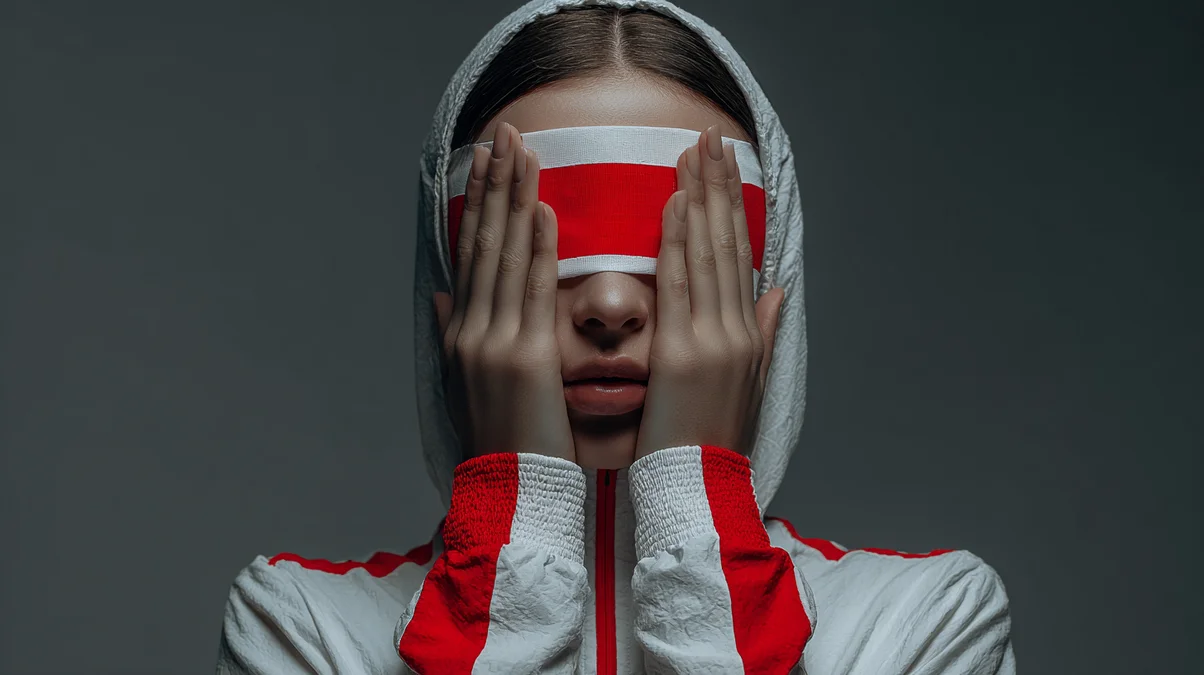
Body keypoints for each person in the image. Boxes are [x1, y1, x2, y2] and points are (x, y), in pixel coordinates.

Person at [217, 0, 1016, 672]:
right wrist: (511, 523)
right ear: (451, 318)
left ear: (768, 312)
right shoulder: (303, 628)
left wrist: (700, 513)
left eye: (682, 251)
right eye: (533, 247)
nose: (607, 302)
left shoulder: (922, 623)